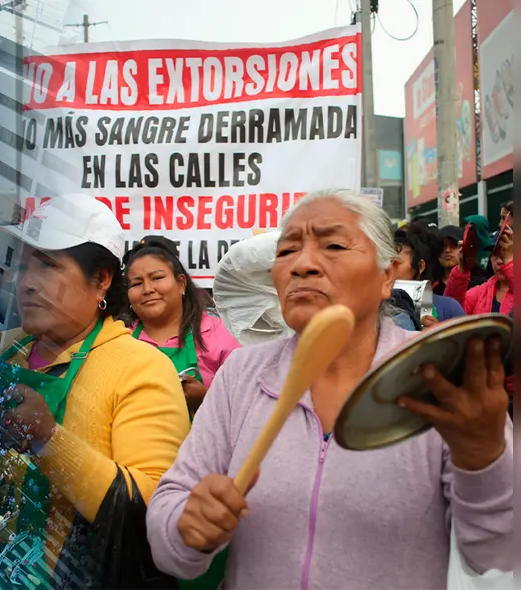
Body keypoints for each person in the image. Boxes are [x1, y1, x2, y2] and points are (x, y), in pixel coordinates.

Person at [145, 189, 513, 588]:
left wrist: (484, 459)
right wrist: (187, 528)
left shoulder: (436, 379)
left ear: (387, 275)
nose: (302, 265)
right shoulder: (241, 376)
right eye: (286, 252)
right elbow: (170, 520)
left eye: (334, 245)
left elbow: (494, 556)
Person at [0, 195, 189, 589]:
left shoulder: (140, 367)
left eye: (47, 266)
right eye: (24, 264)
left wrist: (49, 439)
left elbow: (157, 513)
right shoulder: (8, 347)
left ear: (101, 279)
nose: (26, 282)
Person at [123, 235, 240, 418]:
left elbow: (249, 409)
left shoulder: (220, 335)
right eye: (137, 283)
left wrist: (206, 400)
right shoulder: (121, 339)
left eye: (157, 277)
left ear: (181, 283)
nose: (147, 289)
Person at [392, 225, 465, 326]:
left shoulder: (448, 308)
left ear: (420, 266)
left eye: (395, 262)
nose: (387, 268)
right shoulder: (373, 306)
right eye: (383, 261)